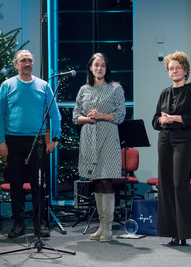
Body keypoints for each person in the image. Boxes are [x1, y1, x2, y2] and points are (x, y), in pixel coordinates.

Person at [0, 50, 62, 238]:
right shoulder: (7, 86)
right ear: (16, 64)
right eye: (23, 60)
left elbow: (55, 114)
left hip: (38, 140)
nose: (28, 63)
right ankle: (18, 224)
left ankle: (39, 223)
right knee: (15, 183)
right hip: (12, 141)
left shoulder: (43, 86)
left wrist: (55, 138)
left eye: (30, 60)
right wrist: (1, 141)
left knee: (38, 184)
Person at [152, 51, 191, 251]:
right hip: (165, 139)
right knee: (165, 185)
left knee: (180, 184)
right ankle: (176, 234)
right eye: (170, 68)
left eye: (177, 67)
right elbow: (155, 119)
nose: (174, 71)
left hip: (183, 139)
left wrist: (174, 118)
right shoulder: (165, 92)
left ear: (185, 70)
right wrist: (161, 120)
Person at [72, 53, 125, 242]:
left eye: (103, 65)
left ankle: (108, 227)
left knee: (106, 180)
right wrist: (88, 118)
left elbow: (120, 115)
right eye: (96, 65)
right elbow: (75, 115)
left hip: (108, 137)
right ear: (90, 68)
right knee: (95, 181)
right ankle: (101, 225)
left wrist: (101, 115)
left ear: (106, 68)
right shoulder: (84, 89)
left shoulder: (115, 89)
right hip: (89, 137)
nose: (99, 68)